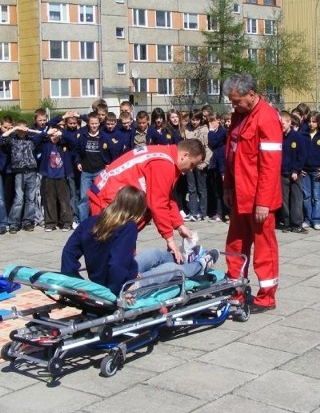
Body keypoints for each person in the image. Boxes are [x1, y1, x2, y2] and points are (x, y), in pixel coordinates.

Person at [62, 186, 219, 294]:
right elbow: (117, 263)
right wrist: (122, 288)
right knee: (172, 270)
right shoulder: (127, 227)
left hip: (108, 277)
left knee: (153, 254)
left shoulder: (91, 221)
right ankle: (199, 265)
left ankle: (183, 258)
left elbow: (68, 252)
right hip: (121, 285)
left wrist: (71, 279)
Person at [88, 139, 205, 263]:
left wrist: (180, 226)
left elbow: (166, 196)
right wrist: (170, 240)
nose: (191, 169)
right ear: (185, 155)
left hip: (111, 194)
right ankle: (118, 274)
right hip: (108, 198)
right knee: (112, 245)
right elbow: (157, 204)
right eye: (192, 164)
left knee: (123, 245)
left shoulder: (165, 155)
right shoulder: (164, 164)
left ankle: (125, 269)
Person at [222, 74, 282, 311]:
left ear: (251, 94)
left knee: (264, 248)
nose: (234, 106)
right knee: (235, 245)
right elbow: (231, 153)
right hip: (239, 194)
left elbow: (270, 165)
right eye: (232, 102)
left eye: (236, 101)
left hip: (259, 199)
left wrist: (263, 202)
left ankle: (266, 296)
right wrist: (227, 186)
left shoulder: (266, 118)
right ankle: (236, 288)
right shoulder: (239, 116)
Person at [39, 126, 73, 231]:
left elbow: (75, 140)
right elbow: (36, 140)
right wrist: (46, 133)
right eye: (52, 134)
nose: (54, 137)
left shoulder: (64, 144)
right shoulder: (46, 144)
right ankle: (50, 223)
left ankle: (66, 222)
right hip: (49, 176)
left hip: (62, 176)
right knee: (50, 200)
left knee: (64, 200)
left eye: (56, 134)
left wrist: (62, 134)